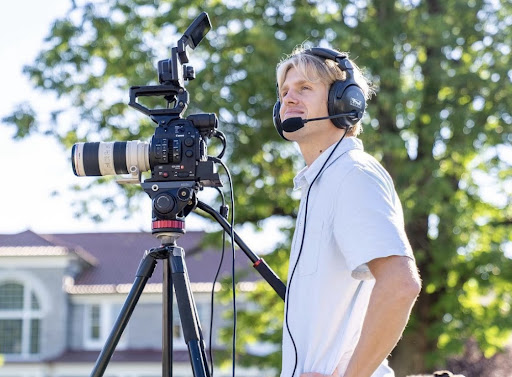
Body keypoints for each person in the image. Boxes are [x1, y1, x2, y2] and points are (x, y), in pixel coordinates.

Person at [273, 45, 422, 377]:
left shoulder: (352, 174)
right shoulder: (322, 183)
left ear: (344, 102)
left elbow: (400, 285)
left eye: (304, 88)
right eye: (284, 91)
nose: (288, 99)